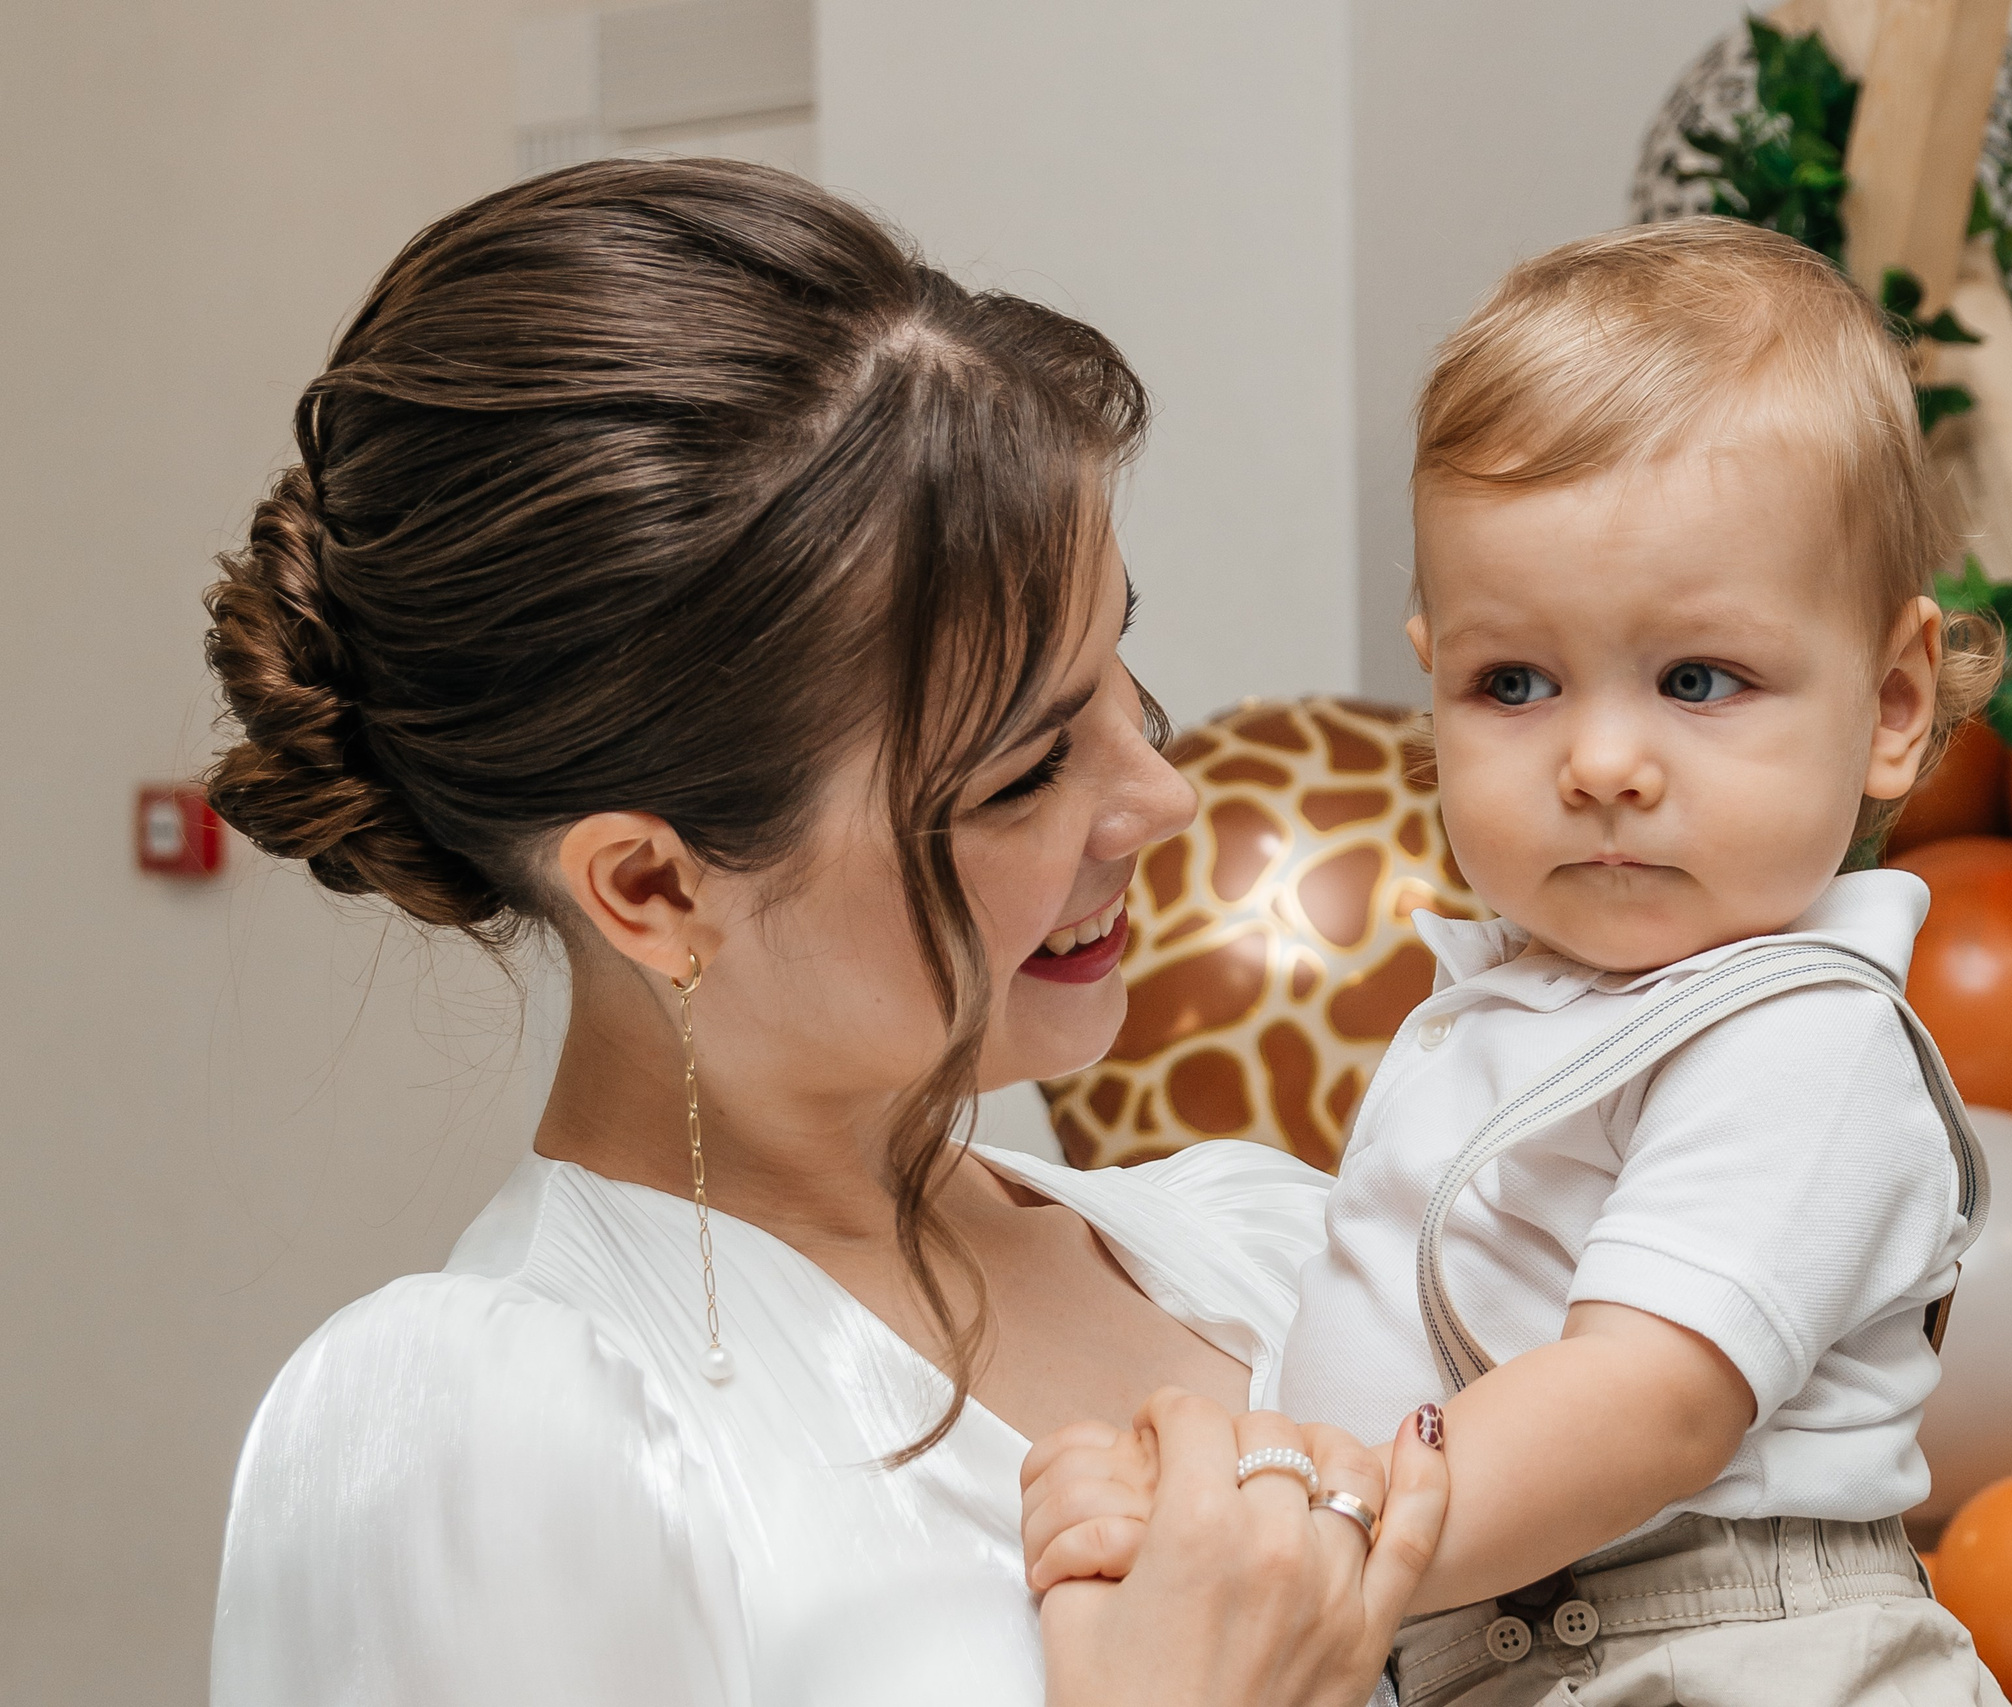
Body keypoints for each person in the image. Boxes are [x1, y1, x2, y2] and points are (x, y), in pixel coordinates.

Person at [201, 157, 1446, 1707]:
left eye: (1120, 672)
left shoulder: (1264, 1248)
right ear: (652, 890)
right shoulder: (483, 1431)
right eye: (1025, 771)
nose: (1162, 797)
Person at [1023, 220, 2012, 1705]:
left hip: (1726, 1654)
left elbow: (1647, 1405)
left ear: (1889, 702)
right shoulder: (1519, 1004)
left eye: (1697, 680)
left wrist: (1304, 1520)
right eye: (1515, 683)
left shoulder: (1801, 1040)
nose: (1602, 761)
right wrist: (1196, 1507)